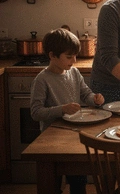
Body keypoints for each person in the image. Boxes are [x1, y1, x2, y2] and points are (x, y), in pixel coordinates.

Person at [30, 28, 105, 194]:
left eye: (75, 56)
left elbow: (85, 93)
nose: (74, 60)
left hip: (73, 135)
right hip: (51, 139)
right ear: (52, 56)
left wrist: (94, 98)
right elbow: (36, 112)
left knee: (78, 181)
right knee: (52, 183)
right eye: (69, 57)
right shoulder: (42, 80)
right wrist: (62, 109)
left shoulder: (74, 72)